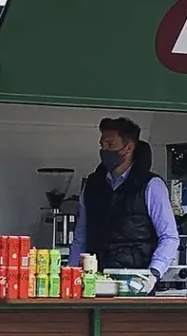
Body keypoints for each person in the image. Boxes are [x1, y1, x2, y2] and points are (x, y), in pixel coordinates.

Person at [69, 116, 180, 294]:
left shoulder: (151, 186)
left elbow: (169, 237)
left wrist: (152, 274)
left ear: (128, 147)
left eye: (110, 145)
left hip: (136, 284)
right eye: (102, 145)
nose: (104, 150)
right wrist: (71, 275)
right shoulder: (92, 186)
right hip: (95, 283)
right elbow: (81, 237)